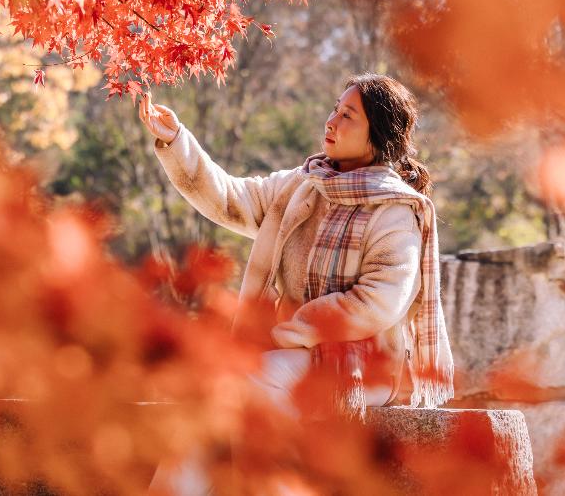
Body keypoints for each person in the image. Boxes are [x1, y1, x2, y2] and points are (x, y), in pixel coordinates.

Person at [138, 73, 454, 495]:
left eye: (347, 115)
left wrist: (295, 332)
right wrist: (177, 141)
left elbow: (380, 300)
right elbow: (231, 198)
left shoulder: (395, 211)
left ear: (376, 136)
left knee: (251, 385)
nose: (331, 122)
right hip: (283, 355)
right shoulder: (302, 185)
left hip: (360, 367)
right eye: (334, 109)